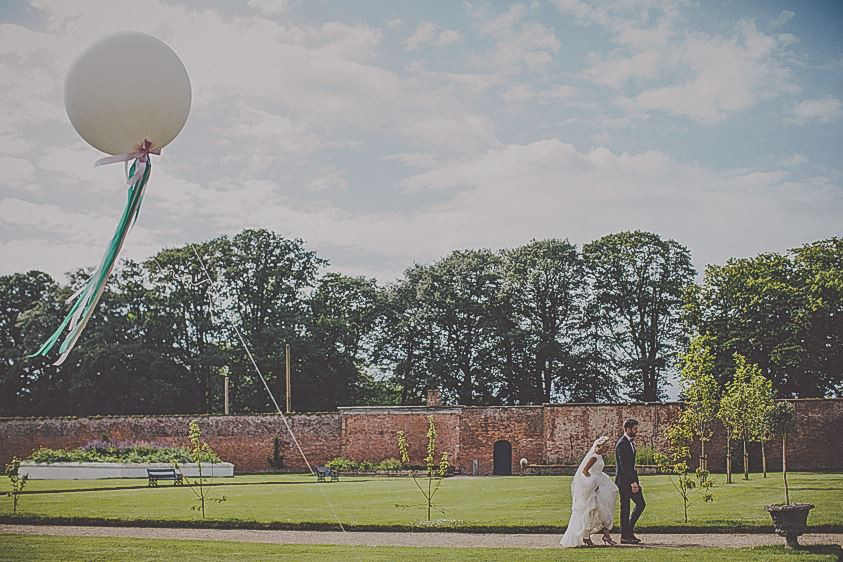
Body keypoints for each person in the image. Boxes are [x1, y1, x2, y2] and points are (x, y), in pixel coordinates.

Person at [560, 436, 618, 547]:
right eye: (606, 447)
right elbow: (585, 471)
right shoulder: (594, 457)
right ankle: (586, 537)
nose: (607, 449)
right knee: (588, 511)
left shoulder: (600, 457)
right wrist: (592, 483)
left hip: (601, 483)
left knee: (603, 508)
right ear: (600, 446)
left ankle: (604, 534)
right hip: (593, 486)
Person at [616, 418, 646, 544]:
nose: (636, 431)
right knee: (626, 508)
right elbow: (625, 466)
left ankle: (628, 531)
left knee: (640, 504)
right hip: (624, 481)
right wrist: (632, 482)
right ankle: (625, 536)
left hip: (631, 480)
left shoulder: (630, 442)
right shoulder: (622, 443)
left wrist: (636, 482)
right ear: (627, 429)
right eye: (634, 428)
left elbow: (632, 466)